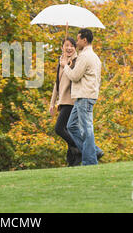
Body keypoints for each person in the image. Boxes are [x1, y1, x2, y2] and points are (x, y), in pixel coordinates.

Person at [62, 28, 104, 166]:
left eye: (78, 39)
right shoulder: (93, 57)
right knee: (71, 125)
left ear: (84, 40)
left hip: (84, 96)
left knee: (86, 129)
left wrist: (65, 66)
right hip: (83, 95)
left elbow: (74, 76)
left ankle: (90, 161)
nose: (77, 42)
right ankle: (94, 151)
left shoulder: (85, 56)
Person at [49, 37, 82, 167]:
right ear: (62, 47)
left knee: (59, 129)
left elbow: (75, 78)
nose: (69, 48)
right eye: (66, 45)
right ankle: (72, 161)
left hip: (71, 101)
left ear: (75, 47)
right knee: (68, 130)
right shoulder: (60, 62)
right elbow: (57, 84)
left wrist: (66, 66)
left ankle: (78, 148)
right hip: (62, 101)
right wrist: (52, 103)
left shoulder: (76, 61)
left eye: (72, 46)